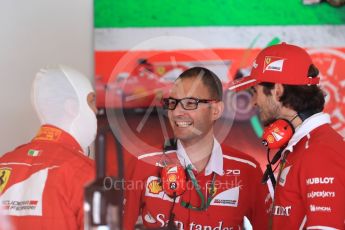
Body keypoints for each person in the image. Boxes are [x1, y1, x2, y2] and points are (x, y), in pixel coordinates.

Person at [123, 67, 271, 229]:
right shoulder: (144, 163)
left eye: (190, 103)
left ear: (216, 110)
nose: (177, 112)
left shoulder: (247, 170)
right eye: (172, 103)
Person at [228, 42, 345, 229]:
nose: (254, 102)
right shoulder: (304, 146)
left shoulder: (320, 153)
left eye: (254, 92)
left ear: (278, 90)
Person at [0, 66, 97, 229]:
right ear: (72, 108)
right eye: (92, 101)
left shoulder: (4, 163)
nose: (97, 110)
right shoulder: (88, 174)